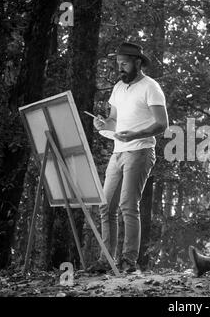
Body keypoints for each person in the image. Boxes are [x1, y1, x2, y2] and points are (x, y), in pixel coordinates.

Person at [88, 42, 168, 273]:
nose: (120, 68)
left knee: (127, 206)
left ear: (138, 62)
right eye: (118, 64)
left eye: (124, 63)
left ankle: (128, 262)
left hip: (140, 151)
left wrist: (136, 134)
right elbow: (113, 120)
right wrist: (102, 123)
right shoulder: (118, 88)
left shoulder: (151, 87)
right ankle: (106, 261)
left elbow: (162, 124)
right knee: (105, 206)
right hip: (118, 152)